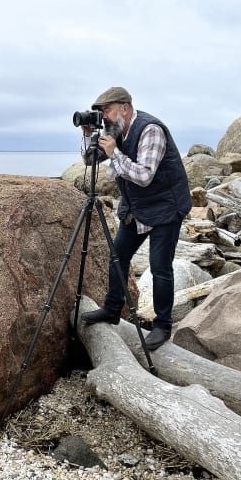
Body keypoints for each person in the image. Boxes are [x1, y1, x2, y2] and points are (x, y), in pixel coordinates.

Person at [79, 86, 192, 350]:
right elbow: (89, 160)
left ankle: (163, 326)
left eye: (106, 110)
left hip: (166, 207)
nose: (103, 117)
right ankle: (112, 308)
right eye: (100, 112)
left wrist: (114, 153)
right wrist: (88, 136)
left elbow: (144, 175)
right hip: (136, 207)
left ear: (124, 108)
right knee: (118, 255)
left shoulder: (150, 130)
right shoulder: (113, 131)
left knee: (160, 266)